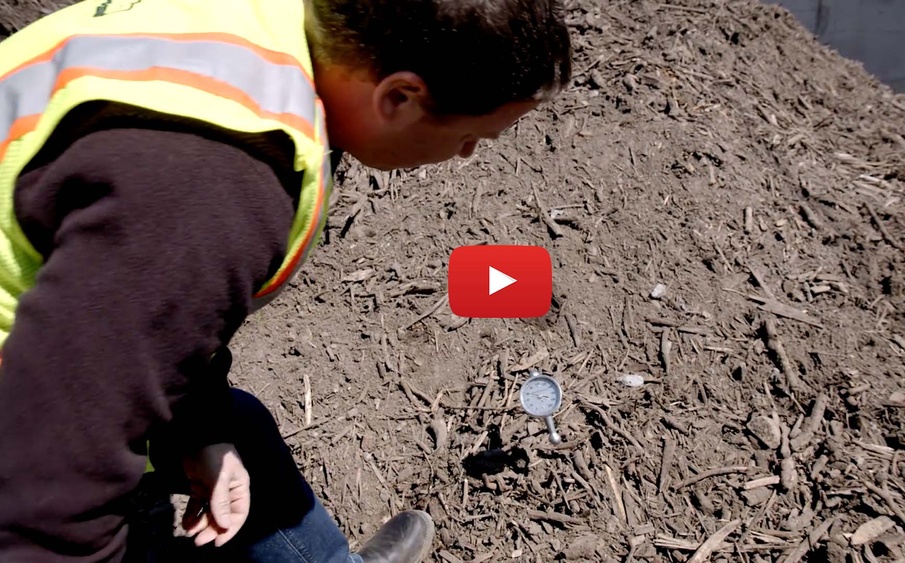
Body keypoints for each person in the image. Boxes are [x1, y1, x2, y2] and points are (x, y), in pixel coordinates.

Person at [0, 0, 572, 561]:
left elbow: (142, 299)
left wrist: (197, 426)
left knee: (234, 427)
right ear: (399, 97)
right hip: (26, 402)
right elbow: (49, 496)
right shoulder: (210, 191)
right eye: (473, 136)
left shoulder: (263, 29)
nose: (468, 154)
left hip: (58, 314)